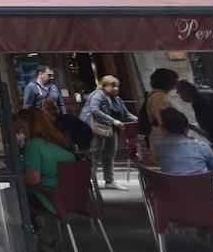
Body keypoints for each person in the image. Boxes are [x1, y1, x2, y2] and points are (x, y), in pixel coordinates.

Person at [15, 107, 77, 251]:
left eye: (21, 125)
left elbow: (33, 179)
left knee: (10, 198)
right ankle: (38, 236)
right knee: (19, 198)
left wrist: (17, 178)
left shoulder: (33, 145)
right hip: (70, 197)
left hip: (50, 198)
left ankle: (35, 238)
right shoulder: (61, 142)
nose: (19, 128)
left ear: (27, 125)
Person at [153, 108, 213, 204]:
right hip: (204, 200)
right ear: (186, 128)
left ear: (163, 128)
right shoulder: (202, 147)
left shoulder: (158, 147)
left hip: (173, 200)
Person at [82, 75, 138, 190]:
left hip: (111, 129)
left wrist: (139, 121)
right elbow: (94, 109)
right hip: (98, 129)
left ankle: (110, 181)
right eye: (112, 86)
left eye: (117, 86)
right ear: (104, 86)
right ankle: (88, 182)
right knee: (95, 155)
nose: (116, 88)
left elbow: (126, 114)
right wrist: (113, 121)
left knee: (109, 154)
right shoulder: (99, 95)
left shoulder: (116, 99)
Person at [141, 67, 179, 164]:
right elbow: (164, 120)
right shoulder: (159, 97)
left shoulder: (157, 95)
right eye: (175, 80)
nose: (177, 82)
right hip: (163, 137)